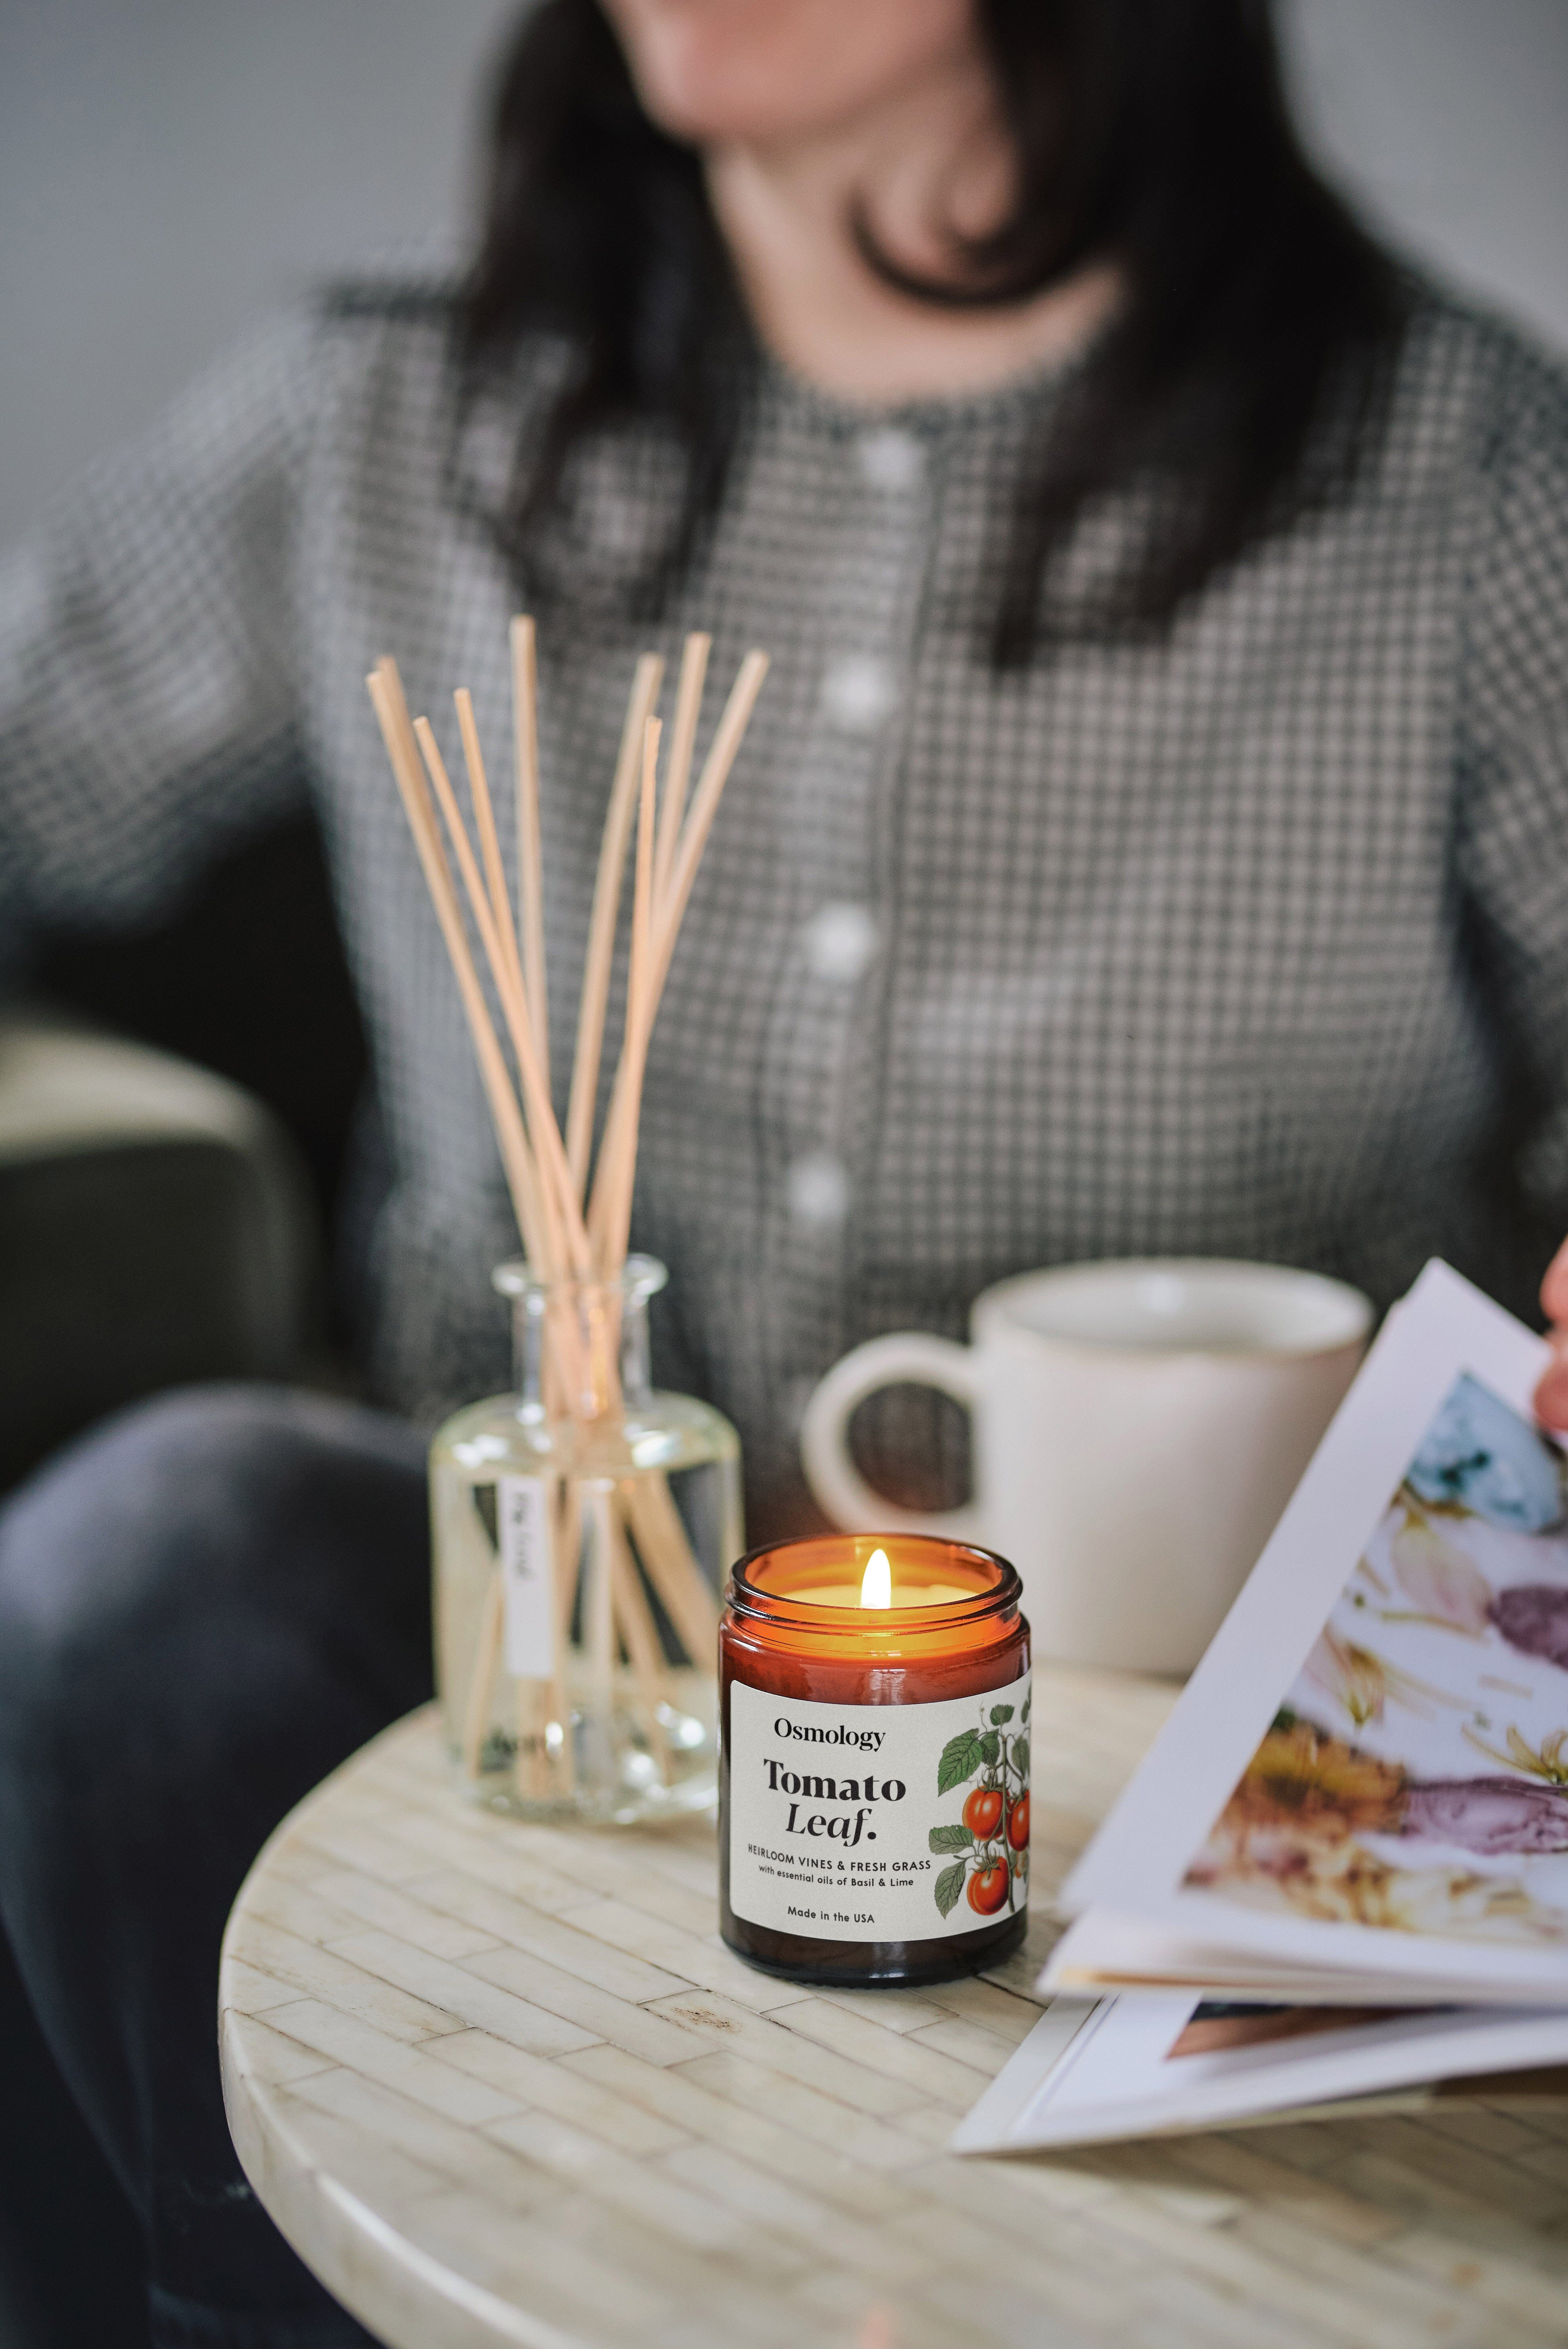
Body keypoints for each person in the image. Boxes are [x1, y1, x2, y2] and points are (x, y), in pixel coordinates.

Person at [2, 0, 1568, 2339]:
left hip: (1223, 1689)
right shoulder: (390, 421)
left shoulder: (1461, 464)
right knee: (152, 1554)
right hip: (533, 1670)